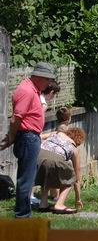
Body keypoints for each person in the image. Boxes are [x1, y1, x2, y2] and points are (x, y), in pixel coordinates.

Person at [0, 62, 58, 218]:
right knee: (27, 179)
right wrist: (12, 137)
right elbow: (16, 119)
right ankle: (23, 216)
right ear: (39, 77)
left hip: (29, 137)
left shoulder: (31, 89)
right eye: (48, 80)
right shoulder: (27, 91)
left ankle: (23, 214)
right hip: (27, 137)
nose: (49, 84)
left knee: (27, 177)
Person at [35, 127, 85, 214]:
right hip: (55, 160)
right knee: (70, 177)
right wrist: (78, 198)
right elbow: (77, 178)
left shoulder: (56, 134)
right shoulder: (74, 148)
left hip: (37, 156)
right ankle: (59, 205)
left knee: (47, 175)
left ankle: (43, 204)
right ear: (78, 140)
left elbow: (40, 137)